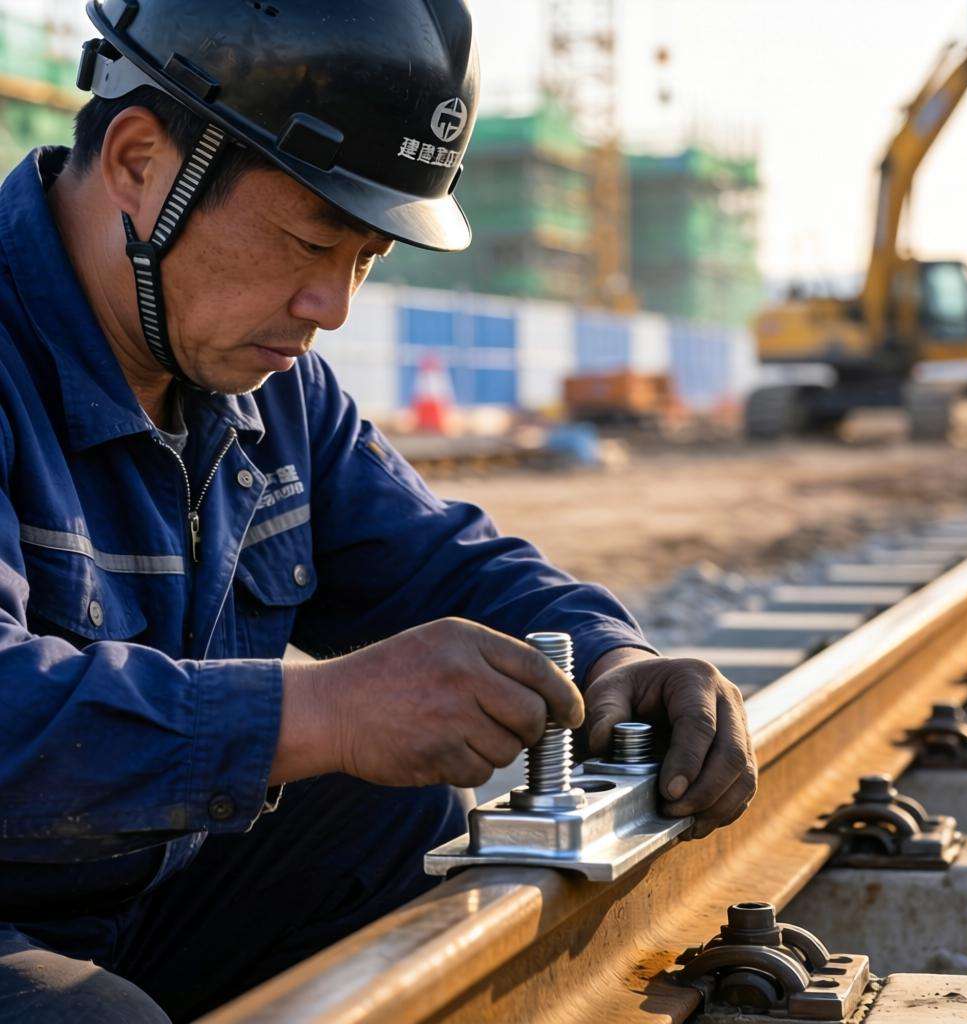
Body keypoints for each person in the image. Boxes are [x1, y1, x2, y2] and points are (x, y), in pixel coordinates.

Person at [0, 0, 757, 1019]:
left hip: (118, 890)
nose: (333, 306)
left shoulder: (263, 388)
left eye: (363, 260)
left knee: (382, 815)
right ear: (139, 160)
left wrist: (616, 655)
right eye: (309, 242)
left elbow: (437, 562)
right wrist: (319, 711)